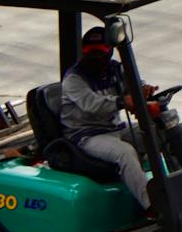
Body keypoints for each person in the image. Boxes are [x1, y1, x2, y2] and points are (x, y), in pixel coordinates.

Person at [60, 24, 167, 210]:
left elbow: (133, 84)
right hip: (87, 135)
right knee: (124, 152)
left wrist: (144, 90)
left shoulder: (116, 70)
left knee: (161, 134)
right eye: (90, 52)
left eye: (99, 52)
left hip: (115, 128)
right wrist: (123, 101)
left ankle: (179, 187)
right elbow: (92, 104)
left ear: (109, 51)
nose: (95, 58)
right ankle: (154, 207)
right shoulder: (74, 78)